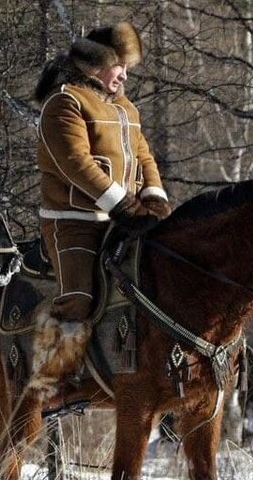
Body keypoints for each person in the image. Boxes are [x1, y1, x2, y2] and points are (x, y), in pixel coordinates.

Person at [33, 22, 171, 376]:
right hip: (74, 222)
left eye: (128, 68)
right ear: (96, 62)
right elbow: (74, 163)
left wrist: (154, 198)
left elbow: (145, 157)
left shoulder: (127, 109)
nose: (124, 75)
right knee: (79, 298)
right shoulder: (65, 101)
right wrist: (122, 204)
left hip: (126, 219)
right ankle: (55, 381)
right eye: (120, 65)